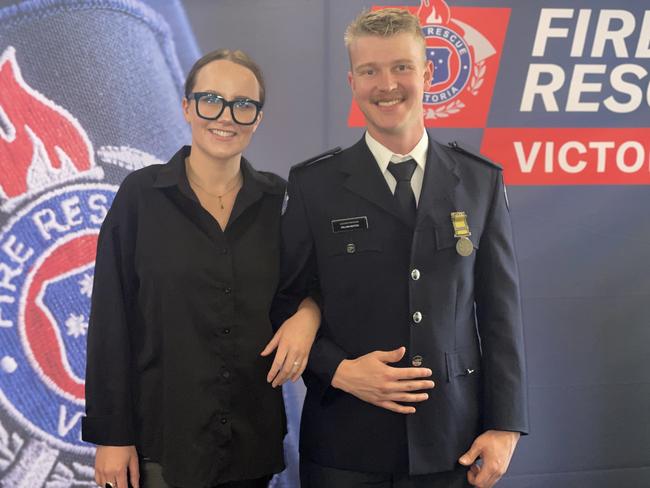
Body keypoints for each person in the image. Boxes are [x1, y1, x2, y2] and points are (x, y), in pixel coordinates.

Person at [272, 8, 528, 488]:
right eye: (370, 70)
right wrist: (341, 370)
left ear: (428, 73)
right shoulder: (315, 185)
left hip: (453, 442)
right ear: (352, 81)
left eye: (401, 67)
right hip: (344, 442)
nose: (386, 84)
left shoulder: (479, 181)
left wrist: (506, 425)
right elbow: (285, 302)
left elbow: (500, 312)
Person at [82, 49, 320, 488]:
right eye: (211, 99)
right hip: (163, 445)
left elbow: (313, 282)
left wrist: (309, 315)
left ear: (257, 118)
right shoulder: (140, 197)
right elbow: (110, 322)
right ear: (187, 106)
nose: (226, 116)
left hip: (251, 441)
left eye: (243, 104)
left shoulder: (279, 202)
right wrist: (111, 437)